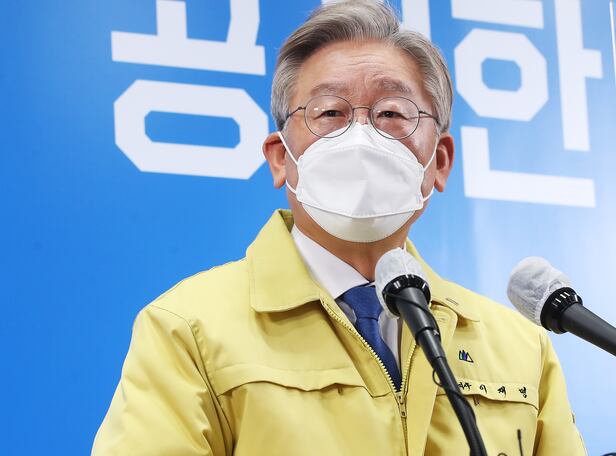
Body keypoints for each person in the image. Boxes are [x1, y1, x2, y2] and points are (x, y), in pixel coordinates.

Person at [92, 1, 586, 455]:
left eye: (392, 113)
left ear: (439, 161)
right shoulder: (188, 329)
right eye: (330, 113)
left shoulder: (520, 347)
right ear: (280, 158)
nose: (362, 136)